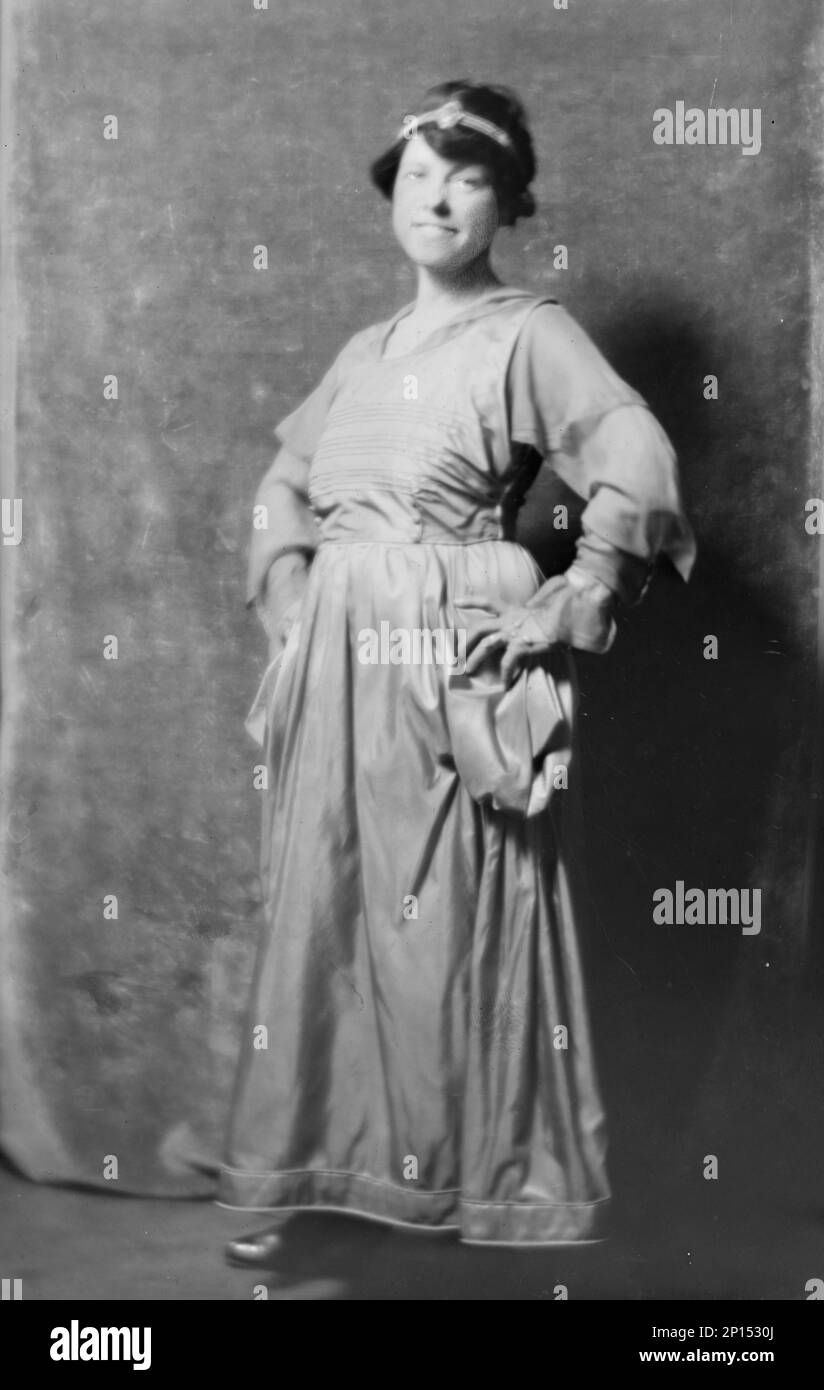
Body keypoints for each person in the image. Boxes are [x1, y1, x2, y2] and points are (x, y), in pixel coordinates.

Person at [217, 79, 695, 1263]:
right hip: (340, 656)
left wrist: (571, 593)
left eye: (468, 174)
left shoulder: (528, 332)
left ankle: (473, 1186)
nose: (438, 195)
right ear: (393, 192)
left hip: (447, 647)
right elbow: (282, 485)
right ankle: (317, 1172)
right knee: (327, 910)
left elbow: (632, 457)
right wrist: (294, 602)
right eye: (420, 172)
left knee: (446, 918)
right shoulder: (363, 352)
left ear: (506, 201)